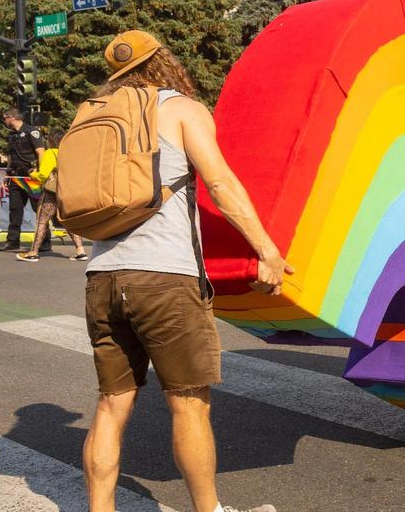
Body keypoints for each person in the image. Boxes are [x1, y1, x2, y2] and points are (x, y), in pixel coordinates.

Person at [82, 30, 290, 512]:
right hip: (164, 278)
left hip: (102, 275)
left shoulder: (91, 115)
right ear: (165, 62)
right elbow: (219, 183)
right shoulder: (181, 109)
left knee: (111, 406)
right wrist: (266, 249)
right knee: (189, 403)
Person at [15, 129, 88, 262]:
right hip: (68, 191)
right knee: (68, 221)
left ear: (51, 140)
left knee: (42, 221)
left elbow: (43, 175)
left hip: (52, 192)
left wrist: (32, 174)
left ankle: (33, 252)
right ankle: (80, 251)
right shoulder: (71, 153)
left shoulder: (51, 153)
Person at [0, 108, 49, 253]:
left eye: (4, 119)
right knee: (15, 209)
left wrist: (40, 172)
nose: (4, 122)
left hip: (31, 177)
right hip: (15, 177)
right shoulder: (12, 135)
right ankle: (12, 241)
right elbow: (11, 156)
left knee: (38, 209)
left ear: (11, 118)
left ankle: (44, 241)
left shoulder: (32, 131)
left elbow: (41, 152)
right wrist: (7, 173)